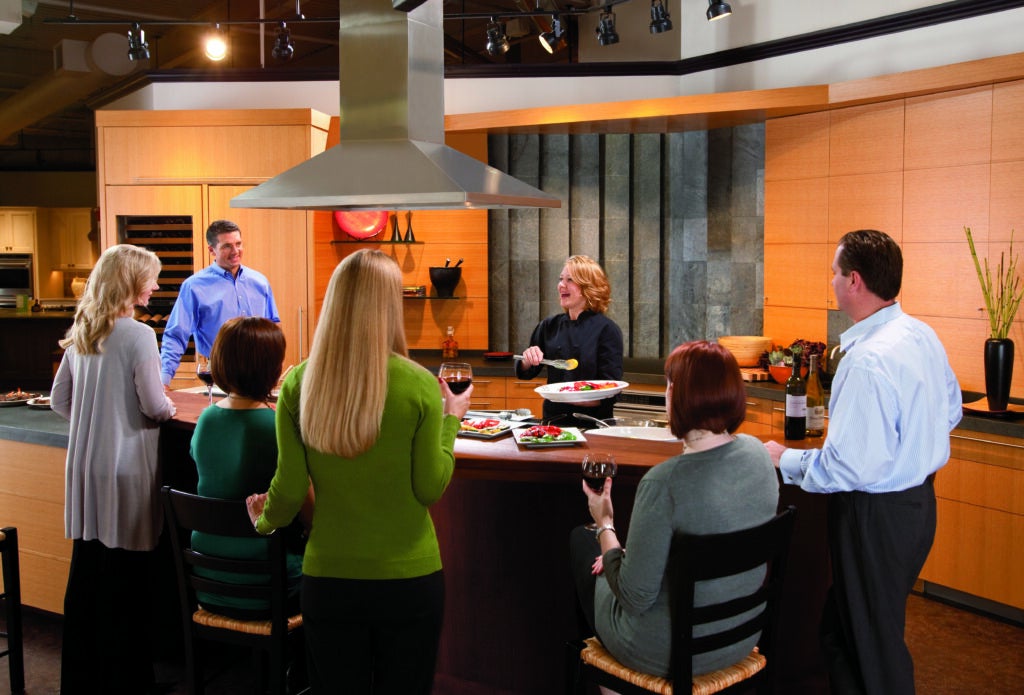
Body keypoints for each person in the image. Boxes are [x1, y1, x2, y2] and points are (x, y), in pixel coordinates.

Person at [245, 248, 473, 694]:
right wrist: (452, 420)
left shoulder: (298, 383)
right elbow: (429, 487)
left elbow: (289, 490)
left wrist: (264, 520)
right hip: (409, 581)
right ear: (388, 306)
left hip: (329, 581)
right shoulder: (420, 385)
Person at [765, 229, 962, 695]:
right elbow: (950, 409)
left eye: (834, 273)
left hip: (874, 516)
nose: (830, 281)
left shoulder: (867, 359)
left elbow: (848, 467)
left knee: (874, 650)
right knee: (844, 633)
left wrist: (785, 459)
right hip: (917, 508)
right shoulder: (921, 334)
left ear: (853, 281)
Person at [570, 340, 779, 678]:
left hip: (664, 649)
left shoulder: (663, 483)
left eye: (669, 384)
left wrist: (605, 524)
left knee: (583, 541)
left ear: (679, 397)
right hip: (739, 637)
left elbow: (635, 597)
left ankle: (611, 681)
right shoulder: (758, 455)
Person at [50, 244, 177, 694]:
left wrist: (96, 419)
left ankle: (83, 679)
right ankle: (127, 680)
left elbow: (58, 400)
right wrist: (168, 405)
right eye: (151, 278)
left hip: (84, 468)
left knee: (88, 575)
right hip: (125, 469)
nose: (157, 286)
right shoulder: (138, 335)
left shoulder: (85, 329)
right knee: (127, 581)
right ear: (129, 282)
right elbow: (154, 405)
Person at [190, 316, 310, 618]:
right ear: (272, 369)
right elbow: (309, 511)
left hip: (209, 581)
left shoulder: (206, 421)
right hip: (270, 585)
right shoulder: (277, 427)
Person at [160, 219, 280, 386]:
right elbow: (176, 334)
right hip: (219, 373)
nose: (235, 251)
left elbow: (273, 327)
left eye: (238, 244)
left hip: (260, 371)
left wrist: (274, 367)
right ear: (212, 250)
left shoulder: (260, 282)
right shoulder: (194, 286)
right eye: (227, 246)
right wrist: (164, 380)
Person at [516, 255, 624, 427]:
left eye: (570, 280)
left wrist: (571, 396)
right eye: (561, 279)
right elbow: (527, 371)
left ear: (589, 288)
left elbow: (611, 389)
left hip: (592, 424)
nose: (561, 285)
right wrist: (527, 360)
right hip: (553, 424)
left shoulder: (607, 329)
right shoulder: (549, 325)